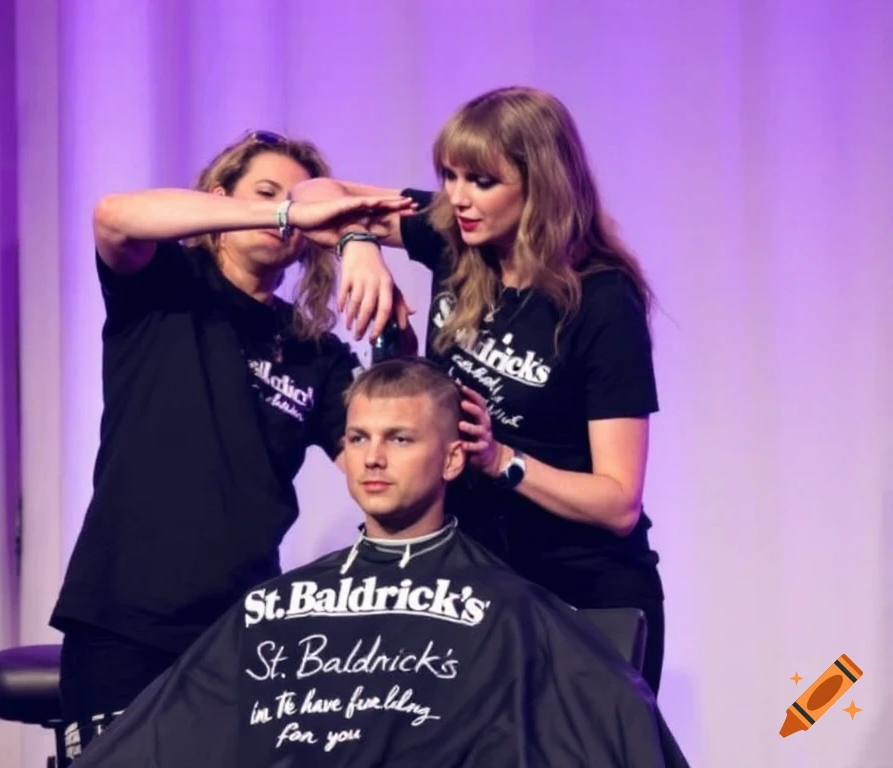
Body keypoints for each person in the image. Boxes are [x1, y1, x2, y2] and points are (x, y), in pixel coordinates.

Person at [68, 358, 688, 768]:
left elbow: (622, 729)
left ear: (450, 461)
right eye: (359, 438)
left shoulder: (506, 606)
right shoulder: (273, 607)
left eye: (399, 439)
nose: (372, 458)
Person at [48, 130, 416, 761]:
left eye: (301, 203)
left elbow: (374, 460)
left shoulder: (314, 351)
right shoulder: (166, 282)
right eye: (267, 193)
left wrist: (392, 331)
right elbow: (113, 215)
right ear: (220, 200)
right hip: (126, 615)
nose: (288, 213)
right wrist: (286, 209)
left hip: (244, 629)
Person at [294, 86, 667, 694]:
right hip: (479, 583)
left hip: (585, 593)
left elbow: (618, 503)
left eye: (481, 181)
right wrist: (358, 244)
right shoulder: (452, 236)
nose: (458, 198)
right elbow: (310, 194)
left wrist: (501, 461)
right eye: (449, 175)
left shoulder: (600, 301)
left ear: (540, 183)